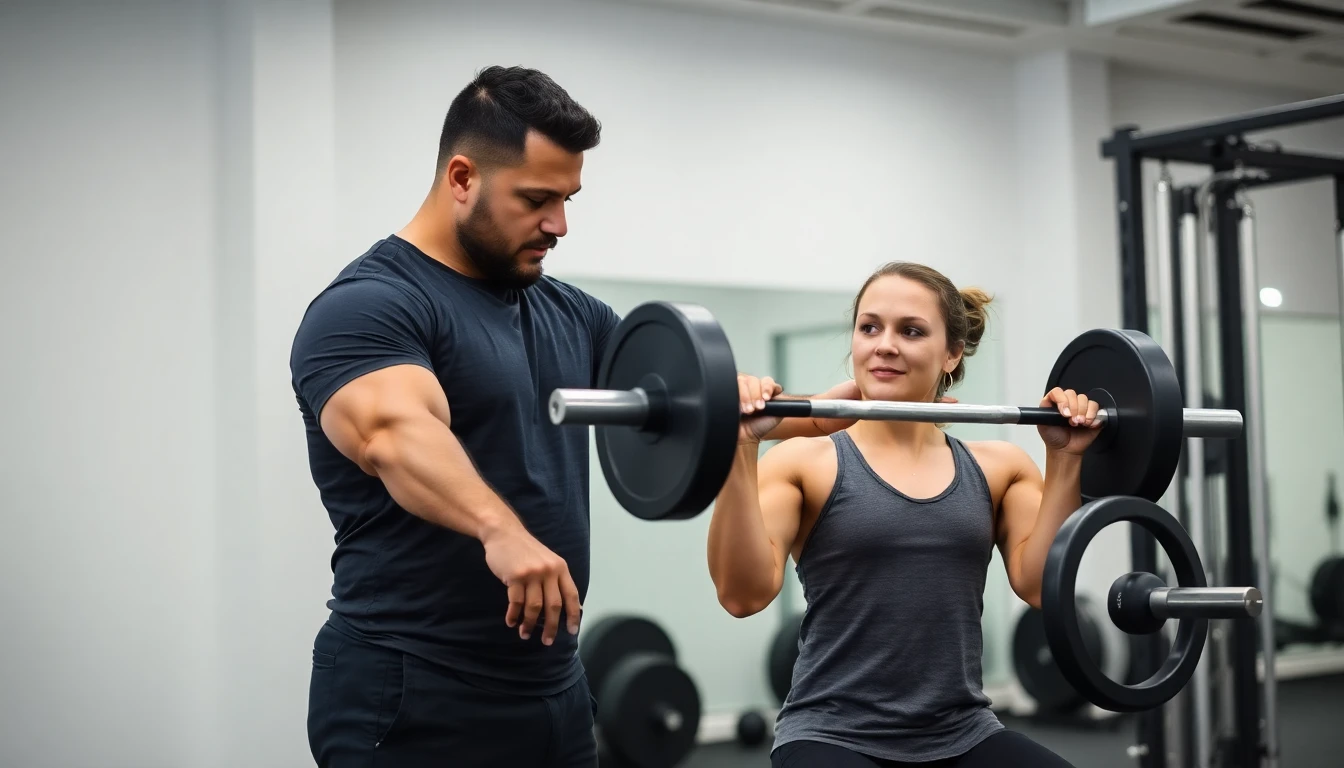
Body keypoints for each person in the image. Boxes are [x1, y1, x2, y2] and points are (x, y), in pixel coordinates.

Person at [289, 65, 851, 768]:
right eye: (537, 199)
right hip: (415, 686)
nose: (558, 224)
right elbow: (395, 434)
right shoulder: (371, 305)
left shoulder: (570, 314)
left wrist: (833, 408)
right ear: (462, 178)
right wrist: (500, 531)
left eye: (567, 198)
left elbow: (688, 407)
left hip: (554, 687)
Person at [708, 261, 1101, 768]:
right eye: (869, 327)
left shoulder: (999, 467)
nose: (885, 344)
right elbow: (742, 596)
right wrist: (740, 446)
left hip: (962, 729)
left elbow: (1042, 587)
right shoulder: (804, 462)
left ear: (951, 352)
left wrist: (1066, 456)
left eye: (910, 331)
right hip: (832, 734)